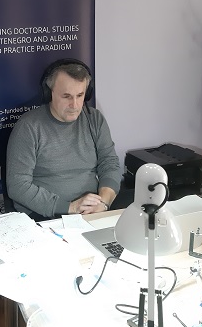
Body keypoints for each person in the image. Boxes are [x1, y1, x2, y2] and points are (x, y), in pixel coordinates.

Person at [6, 58, 121, 220]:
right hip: (45, 216)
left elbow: (109, 163)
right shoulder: (28, 127)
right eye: (66, 96)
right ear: (49, 93)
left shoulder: (94, 119)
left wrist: (103, 203)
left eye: (80, 95)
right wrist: (70, 207)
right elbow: (17, 186)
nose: (75, 105)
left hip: (92, 211)